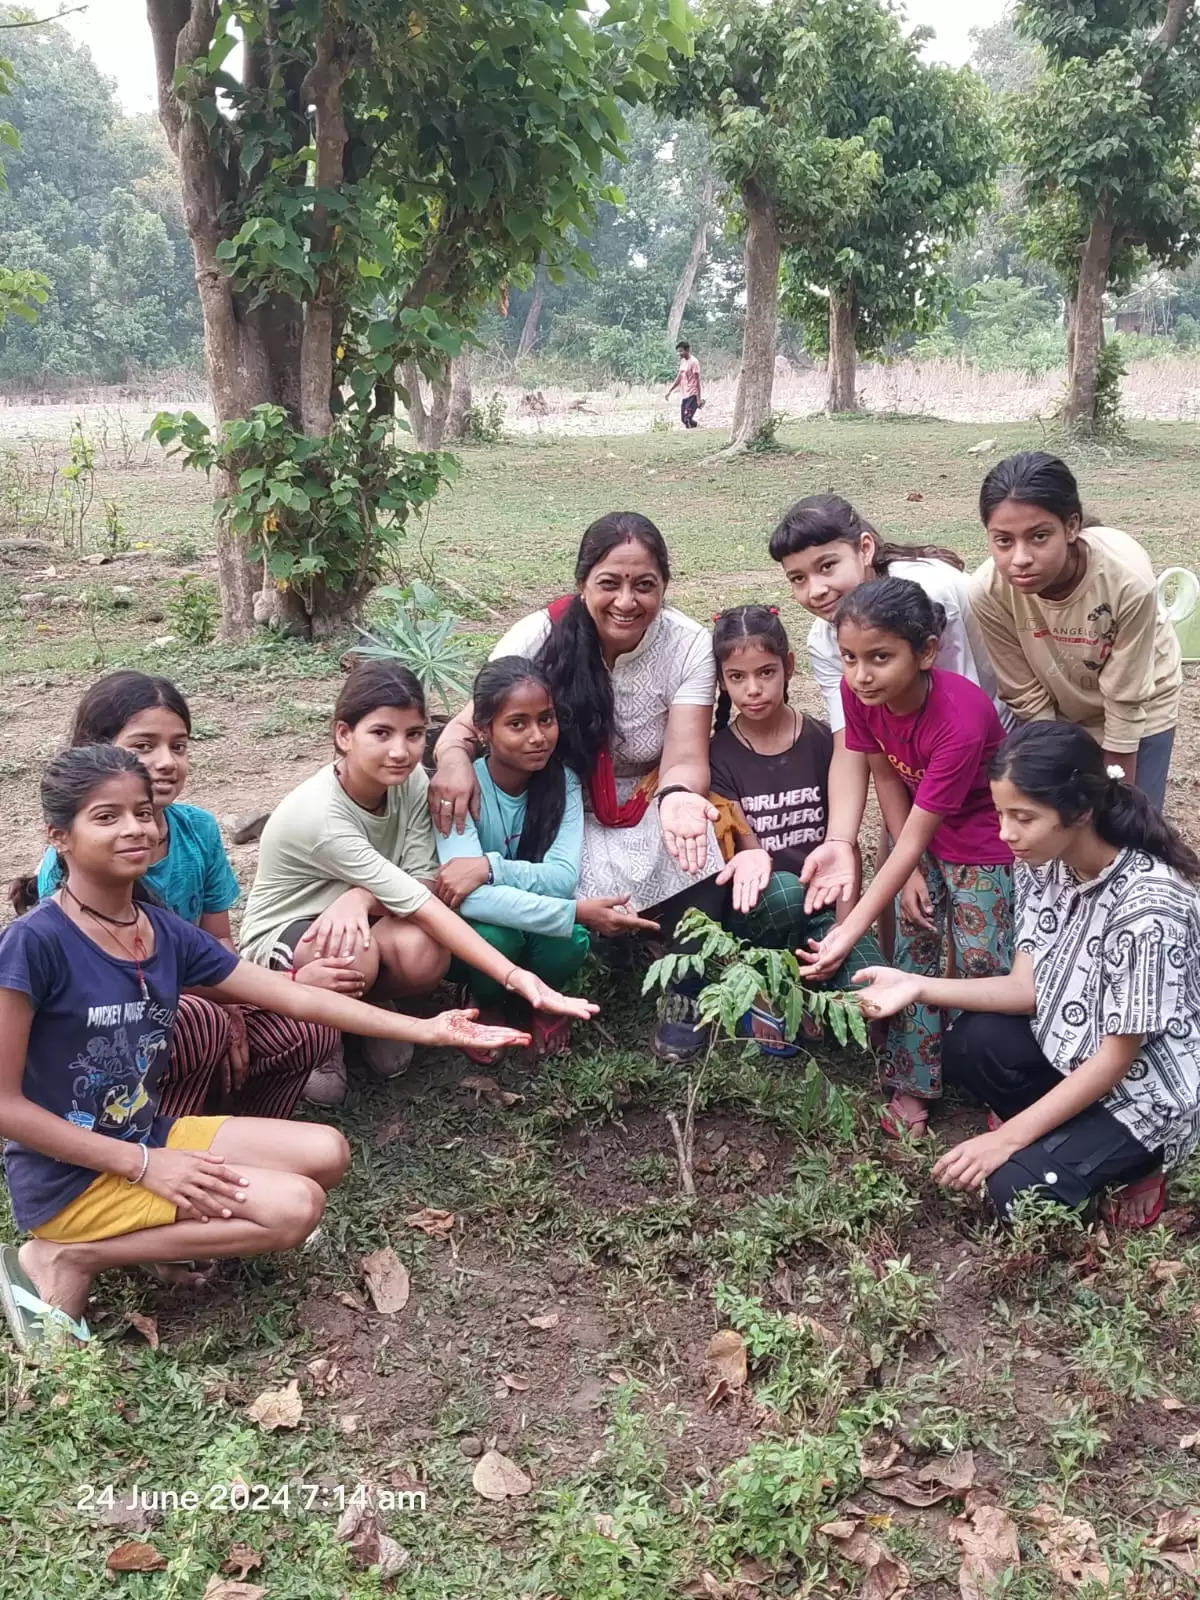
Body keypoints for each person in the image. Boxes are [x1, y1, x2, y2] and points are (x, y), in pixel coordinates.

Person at [0, 745, 534, 1352]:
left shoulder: (158, 930)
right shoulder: (33, 944)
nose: (134, 829)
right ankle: (64, 1256)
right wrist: (147, 1167)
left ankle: (148, 1242)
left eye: (143, 813)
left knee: (326, 1151)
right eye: (106, 817)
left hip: (143, 1136)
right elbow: (5, 1107)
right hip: (68, 1177)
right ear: (58, 836)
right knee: (294, 1209)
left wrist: (430, 1028)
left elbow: (294, 998)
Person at [855, 722, 1200, 1230]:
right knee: (969, 1043)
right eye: (1000, 814)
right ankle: (1066, 1140)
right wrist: (918, 986)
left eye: (1023, 817)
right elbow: (1027, 987)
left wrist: (1007, 1137)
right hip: (1072, 1050)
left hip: (1143, 1092)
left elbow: (1115, 1060)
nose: (1005, 833)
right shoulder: (1043, 862)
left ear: (1080, 811)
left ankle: (1142, 1165)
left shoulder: (1149, 909)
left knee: (1012, 1194)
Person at [430, 512, 723, 1061]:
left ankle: (683, 989)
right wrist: (450, 759)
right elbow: (475, 721)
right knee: (552, 880)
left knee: (696, 839)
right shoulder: (539, 633)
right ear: (583, 582)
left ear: (664, 585)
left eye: (645, 585)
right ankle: (557, 969)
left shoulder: (687, 645)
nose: (626, 602)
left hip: (647, 793)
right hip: (557, 795)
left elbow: (686, 756)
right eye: (609, 583)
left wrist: (681, 798)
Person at [239, 660, 597, 1106]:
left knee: (426, 952)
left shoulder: (409, 783)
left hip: (367, 914)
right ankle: (319, 1035)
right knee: (351, 949)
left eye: (413, 734)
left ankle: (364, 1010)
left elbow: (425, 881)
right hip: (289, 934)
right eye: (381, 733)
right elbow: (422, 901)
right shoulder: (324, 817)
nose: (400, 751)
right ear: (343, 735)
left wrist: (360, 897)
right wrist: (516, 976)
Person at [17, 671, 336, 1123]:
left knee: (309, 1028)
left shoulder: (197, 830)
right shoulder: (72, 862)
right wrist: (219, 1012)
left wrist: (237, 1011)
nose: (166, 761)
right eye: (143, 746)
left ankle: (246, 1127)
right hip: (111, 1025)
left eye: (179, 745)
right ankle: (152, 1134)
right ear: (101, 752)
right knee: (194, 1023)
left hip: (203, 996)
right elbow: (108, 987)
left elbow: (219, 942)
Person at [798, 578, 1013, 1138]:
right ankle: (913, 1081)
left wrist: (848, 931)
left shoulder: (958, 718)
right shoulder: (860, 694)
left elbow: (924, 829)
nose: (862, 674)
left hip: (984, 846)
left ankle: (1001, 1084)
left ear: (925, 652)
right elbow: (886, 774)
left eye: (880, 658)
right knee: (912, 954)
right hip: (919, 834)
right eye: (849, 658)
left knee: (981, 964)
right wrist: (910, 867)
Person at [768, 493, 1003, 917]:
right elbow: (853, 745)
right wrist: (840, 839)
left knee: (958, 886)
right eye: (797, 578)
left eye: (826, 566)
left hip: (989, 754)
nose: (815, 590)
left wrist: (908, 845)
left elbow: (956, 716)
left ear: (864, 548)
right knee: (902, 876)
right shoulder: (828, 640)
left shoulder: (926, 598)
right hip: (920, 762)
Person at [433, 656, 657, 1060]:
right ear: (484, 731)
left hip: (530, 916)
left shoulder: (563, 782)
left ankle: (546, 998)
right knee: (495, 935)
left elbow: (561, 878)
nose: (537, 736)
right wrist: (576, 910)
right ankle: (488, 1001)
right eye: (517, 724)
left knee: (570, 942)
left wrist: (489, 867)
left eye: (546, 719)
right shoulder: (461, 787)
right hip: (479, 930)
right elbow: (465, 898)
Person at [707, 603, 884, 1052]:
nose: (753, 690)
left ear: (788, 666)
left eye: (766, 672)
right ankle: (763, 983)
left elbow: (843, 849)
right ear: (721, 680)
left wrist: (843, 937)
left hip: (819, 909)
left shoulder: (824, 741)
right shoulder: (720, 755)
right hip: (757, 909)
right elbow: (747, 853)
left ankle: (816, 980)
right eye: (737, 677)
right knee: (783, 889)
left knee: (875, 993)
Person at [970, 451, 1181, 809]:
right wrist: (1057, 763)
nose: (1019, 558)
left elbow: (1126, 699)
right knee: (1063, 818)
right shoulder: (989, 591)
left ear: (1071, 527)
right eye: (1003, 541)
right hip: (1059, 707)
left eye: (1038, 537)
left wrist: (1116, 807)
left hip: (1142, 703)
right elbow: (1025, 694)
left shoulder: (1127, 582)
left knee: (1132, 824)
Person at [665, 340, 702, 428]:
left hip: (692, 394)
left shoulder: (694, 362)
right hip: (685, 394)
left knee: (687, 418)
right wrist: (670, 391)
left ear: (687, 350)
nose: (679, 353)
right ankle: (697, 427)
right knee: (683, 419)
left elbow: (697, 381)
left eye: (681, 351)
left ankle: (691, 434)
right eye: (678, 351)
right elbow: (679, 378)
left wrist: (698, 399)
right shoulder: (683, 362)